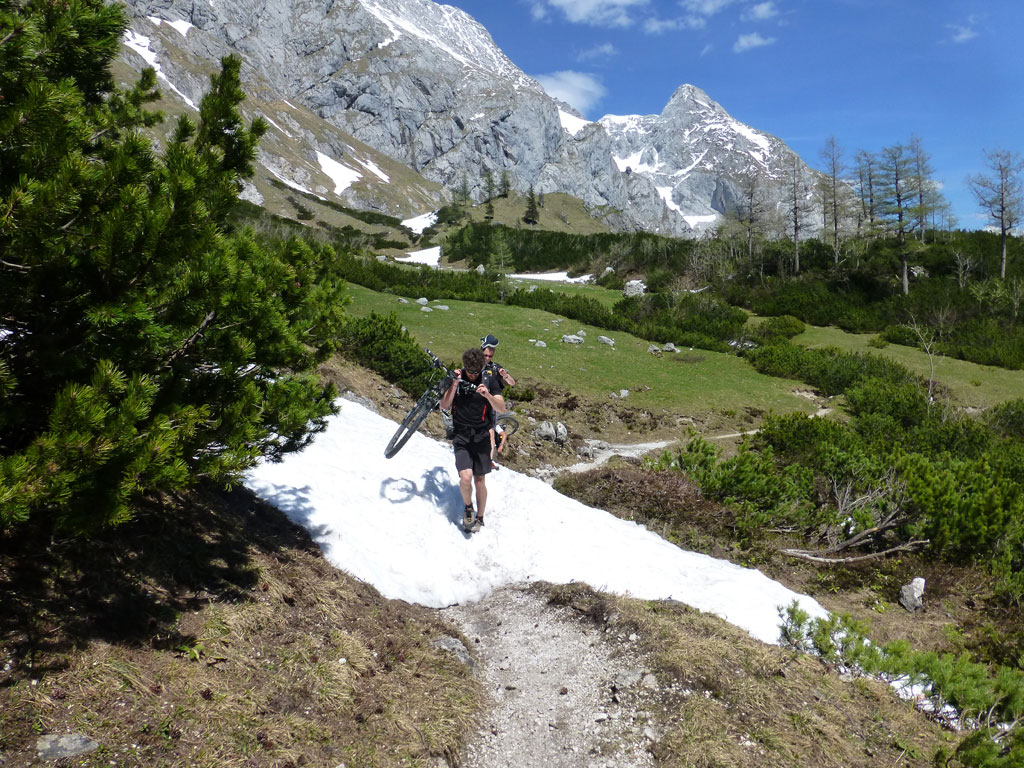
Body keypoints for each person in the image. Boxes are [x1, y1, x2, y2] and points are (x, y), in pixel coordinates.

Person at [439, 347, 505, 531]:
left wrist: (488, 395)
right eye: (470, 371)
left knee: (479, 480)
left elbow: (501, 408)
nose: (473, 375)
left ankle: (480, 518)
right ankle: (468, 508)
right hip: (461, 436)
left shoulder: (489, 380)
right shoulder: (458, 377)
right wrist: (454, 385)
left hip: (482, 436)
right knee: (466, 477)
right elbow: (444, 405)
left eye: (476, 372)